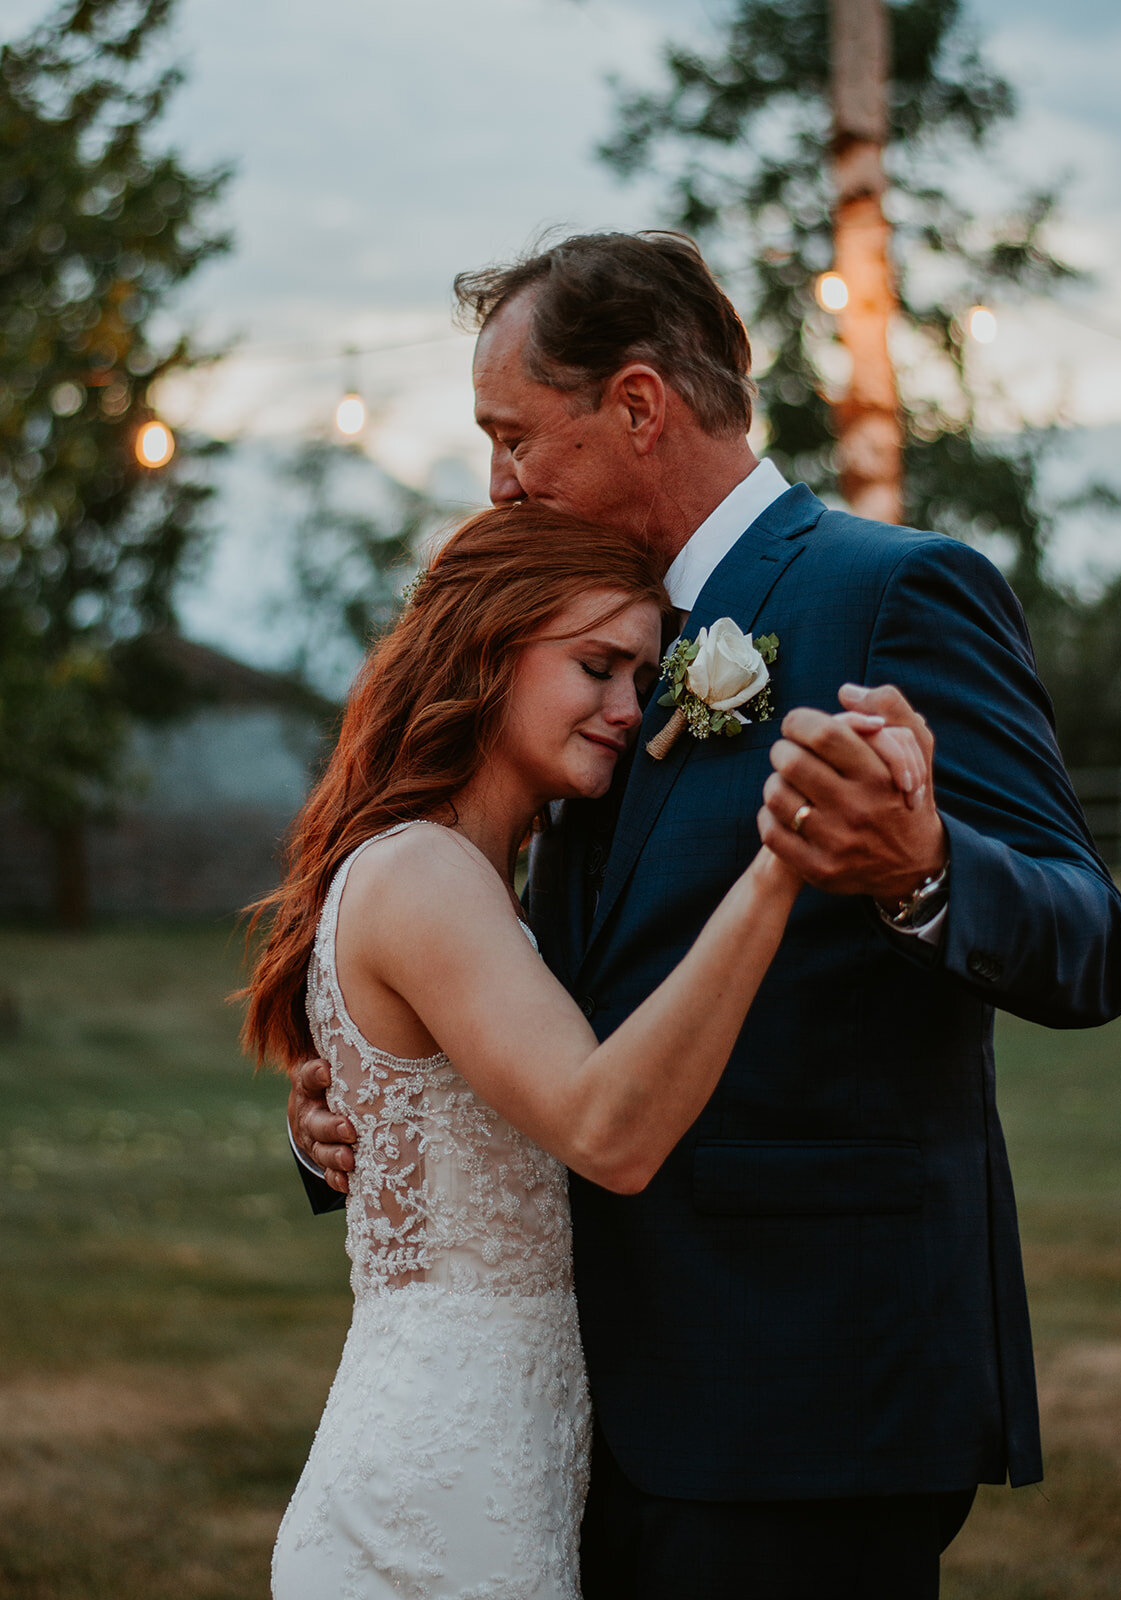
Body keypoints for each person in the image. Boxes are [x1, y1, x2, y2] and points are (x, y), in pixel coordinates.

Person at [289, 232, 1121, 1599]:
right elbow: (533, 974)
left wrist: (921, 866)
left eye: (514, 439)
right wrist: (376, 1108)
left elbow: (1086, 939)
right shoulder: (578, 639)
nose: (498, 482)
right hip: (567, 1410)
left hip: (801, 1395)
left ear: (636, 406)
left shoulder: (886, 591)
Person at [248, 504, 921, 1598]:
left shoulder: (492, 876)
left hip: (519, 1471)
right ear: (485, 648)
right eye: (595, 665)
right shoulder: (422, 873)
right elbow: (607, 1126)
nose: (626, 707)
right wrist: (782, 865)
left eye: (643, 678)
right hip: (435, 1499)